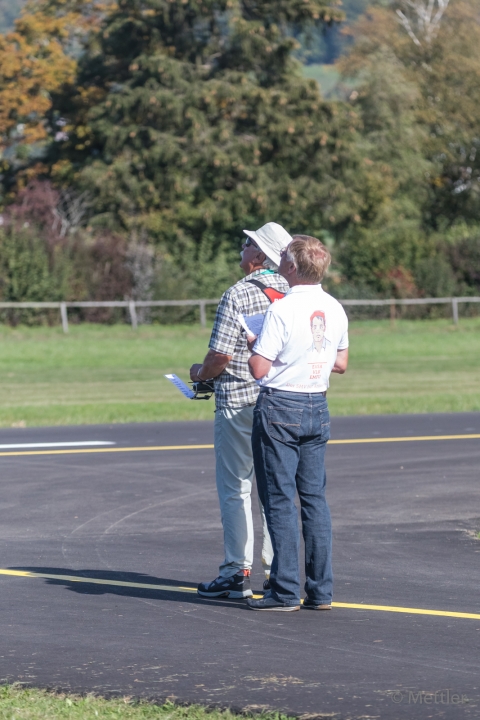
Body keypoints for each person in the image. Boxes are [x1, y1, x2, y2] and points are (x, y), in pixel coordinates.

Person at [246, 235, 349, 611]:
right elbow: (340, 363)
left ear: (291, 266)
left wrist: (253, 342)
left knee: (278, 499)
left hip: (281, 404)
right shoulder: (335, 308)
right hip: (316, 404)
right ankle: (320, 591)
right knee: (314, 500)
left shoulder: (282, 310)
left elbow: (259, 368)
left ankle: (285, 590)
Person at [190, 222, 291, 599]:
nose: (242, 248)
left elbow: (221, 355)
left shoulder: (237, 294)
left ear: (259, 256)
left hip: (237, 399)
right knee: (273, 488)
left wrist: (200, 373)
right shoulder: (295, 291)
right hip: (281, 400)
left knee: (236, 488)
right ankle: (277, 572)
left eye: (248, 244)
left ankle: (236, 570)